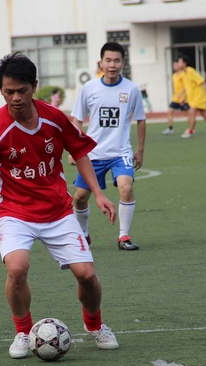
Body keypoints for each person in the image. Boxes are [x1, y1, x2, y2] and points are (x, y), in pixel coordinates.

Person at [0, 52, 120, 358]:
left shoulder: (54, 118)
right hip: (14, 212)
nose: (16, 98)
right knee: (17, 268)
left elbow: (79, 152)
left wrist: (98, 194)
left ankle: (95, 325)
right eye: (9, 92)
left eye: (22, 90)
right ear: (1, 90)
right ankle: (22, 331)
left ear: (34, 85)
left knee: (87, 275)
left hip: (58, 210)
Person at [70, 42, 146, 251]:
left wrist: (140, 150)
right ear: (101, 63)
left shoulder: (131, 89)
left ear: (123, 63)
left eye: (117, 61)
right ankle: (83, 234)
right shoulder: (89, 88)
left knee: (126, 187)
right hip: (93, 153)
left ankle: (123, 237)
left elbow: (140, 119)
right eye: (108, 60)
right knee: (80, 197)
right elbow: (77, 119)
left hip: (121, 152)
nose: (112, 65)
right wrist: (74, 149)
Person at [176, 55, 206, 138]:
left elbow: (201, 80)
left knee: (191, 112)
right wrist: (183, 98)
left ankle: (190, 131)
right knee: (204, 114)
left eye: (179, 62)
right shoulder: (184, 73)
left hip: (198, 96)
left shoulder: (190, 71)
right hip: (193, 98)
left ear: (184, 63)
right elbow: (188, 87)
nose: (178, 64)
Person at [162, 59, 189, 135]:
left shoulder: (183, 74)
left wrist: (182, 94)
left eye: (176, 65)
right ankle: (170, 129)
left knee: (187, 114)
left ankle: (190, 128)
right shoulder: (174, 75)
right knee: (169, 111)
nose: (174, 67)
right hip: (175, 98)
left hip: (183, 98)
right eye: (173, 65)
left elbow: (186, 86)